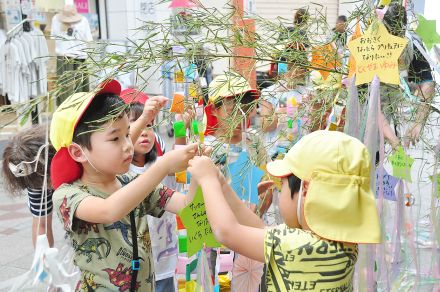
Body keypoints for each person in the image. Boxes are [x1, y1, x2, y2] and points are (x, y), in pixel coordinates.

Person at [50, 79, 200, 291]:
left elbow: (187, 206)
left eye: (128, 134)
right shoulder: (68, 195)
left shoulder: (132, 183)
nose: (128, 145)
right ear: (78, 152)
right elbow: (108, 210)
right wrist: (164, 165)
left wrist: (198, 170)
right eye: (115, 139)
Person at [187, 130, 381, 291]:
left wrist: (207, 180)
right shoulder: (342, 243)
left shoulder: (294, 246)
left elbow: (227, 231)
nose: (279, 190)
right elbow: (260, 229)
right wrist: (221, 182)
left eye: (283, 185)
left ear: (305, 190)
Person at [120, 88, 177, 292]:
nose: (144, 131)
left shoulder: (161, 164)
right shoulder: (119, 174)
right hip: (135, 265)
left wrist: (181, 132)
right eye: (137, 125)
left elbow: (180, 188)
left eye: (150, 125)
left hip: (164, 260)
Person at [382, 3, 435, 148]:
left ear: (403, 29)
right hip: (377, 109)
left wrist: (418, 122)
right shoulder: (373, 44)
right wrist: (390, 136)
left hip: (402, 107)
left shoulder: (412, 45)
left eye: (397, 34)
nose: (393, 38)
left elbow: (427, 83)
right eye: (389, 33)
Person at [2, 125, 56, 248]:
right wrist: (42, 261)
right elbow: (42, 224)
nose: (47, 185)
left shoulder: (71, 157)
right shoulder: (32, 179)